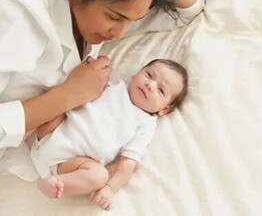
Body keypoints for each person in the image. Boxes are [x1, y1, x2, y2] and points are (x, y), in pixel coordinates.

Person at [0, 0, 205, 180]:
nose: (119, 33)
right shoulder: (12, 13)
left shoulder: (104, 8)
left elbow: (188, 9)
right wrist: (67, 96)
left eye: (131, 20)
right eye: (114, 17)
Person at [30, 59, 188, 211]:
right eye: (149, 75)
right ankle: (20, 131)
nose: (150, 84)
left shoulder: (145, 124)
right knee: (55, 99)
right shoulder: (113, 85)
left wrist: (110, 189)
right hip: (52, 131)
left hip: (69, 164)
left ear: (165, 109)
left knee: (99, 176)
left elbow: (128, 163)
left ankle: (55, 183)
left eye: (161, 90)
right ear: (136, 73)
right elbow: (80, 91)